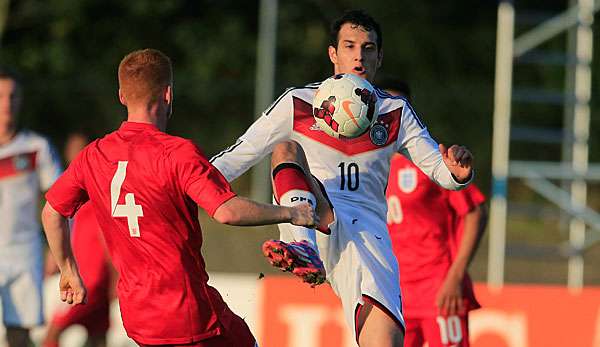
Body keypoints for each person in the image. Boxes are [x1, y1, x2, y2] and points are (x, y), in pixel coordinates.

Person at [210, 9, 474, 347]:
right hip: (311, 213)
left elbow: (439, 170)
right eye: (349, 46)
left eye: (368, 48)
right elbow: (238, 156)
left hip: (366, 231)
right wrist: (187, 183)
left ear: (379, 57)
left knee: (386, 340)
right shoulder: (298, 102)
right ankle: (302, 247)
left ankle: (311, 253)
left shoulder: (395, 111)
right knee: (285, 148)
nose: (359, 56)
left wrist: (457, 172)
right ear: (333, 54)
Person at [41, 49, 318, 347]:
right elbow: (227, 212)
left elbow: (51, 212)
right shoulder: (177, 153)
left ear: (122, 96)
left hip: (137, 315)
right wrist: (291, 213)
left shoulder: (93, 155)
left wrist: (68, 270)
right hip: (187, 311)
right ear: (169, 94)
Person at [383, 82, 487, 347]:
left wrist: (455, 276)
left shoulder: (430, 160)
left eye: (401, 109)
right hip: (394, 294)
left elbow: (475, 211)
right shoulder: (367, 169)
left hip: (438, 290)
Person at [0, 67, 62, 347]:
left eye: (12, 96)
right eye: (1, 96)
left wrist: (57, 250)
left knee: (20, 334)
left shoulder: (37, 147)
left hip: (24, 253)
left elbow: (62, 201)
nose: (6, 103)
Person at [43, 132, 114, 347]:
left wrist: (115, 275)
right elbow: (64, 229)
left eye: (82, 150)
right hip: (85, 277)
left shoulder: (96, 193)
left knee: (53, 333)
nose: (77, 155)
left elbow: (107, 237)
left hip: (87, 282)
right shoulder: (71, 192)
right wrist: (53, 257)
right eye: (73, 150)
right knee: (98, 337)